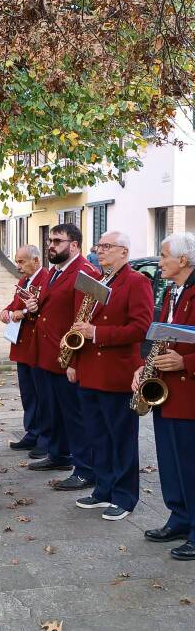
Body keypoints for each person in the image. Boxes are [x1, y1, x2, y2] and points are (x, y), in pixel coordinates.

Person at [70, 232, 153, 521]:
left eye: (107, 247)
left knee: (121, 439)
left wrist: (97, 333)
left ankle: (125, 496)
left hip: (117, 374)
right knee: (98, 437)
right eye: (99, 246)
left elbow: (141, 328)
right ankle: (103, 489)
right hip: (90, 372)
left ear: (124, 252)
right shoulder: (100, 281)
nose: (100, 251)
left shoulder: (137, 282)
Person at [24, 223, 100, 491]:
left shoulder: (84, 273)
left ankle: (85, 469)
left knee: (75, 417)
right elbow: (47, 307)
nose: (51, 245)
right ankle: (58, 454)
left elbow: (83, 320)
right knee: (53, 411)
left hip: (67, 357)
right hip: (47, 355)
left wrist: (74, 362)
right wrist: (33, 306)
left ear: (75, 245)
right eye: (50, 241)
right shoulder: (53, 272)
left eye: (58, 241)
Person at [134, 232, 195, 560]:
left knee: (190, 463)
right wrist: (145, 368)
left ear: (182, 261)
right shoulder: (174, 292)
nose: (159, 262)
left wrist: (186, 361)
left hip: (189, 393)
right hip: (168, 391)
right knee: (170, 462)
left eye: (164, 256)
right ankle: (179, 517)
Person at [0, 245, 49, 457]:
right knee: (28, 392)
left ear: (35, 260)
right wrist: (7, 310)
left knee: (41, 394)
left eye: (21, 262)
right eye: (17, 262)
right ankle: (32, 432)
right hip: (22, 344)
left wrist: (22, 312)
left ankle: (44, 438)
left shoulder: (45, 278)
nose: (18, 266)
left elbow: (43, 305)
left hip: (36, 344)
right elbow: (16, 303)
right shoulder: (24, 280)